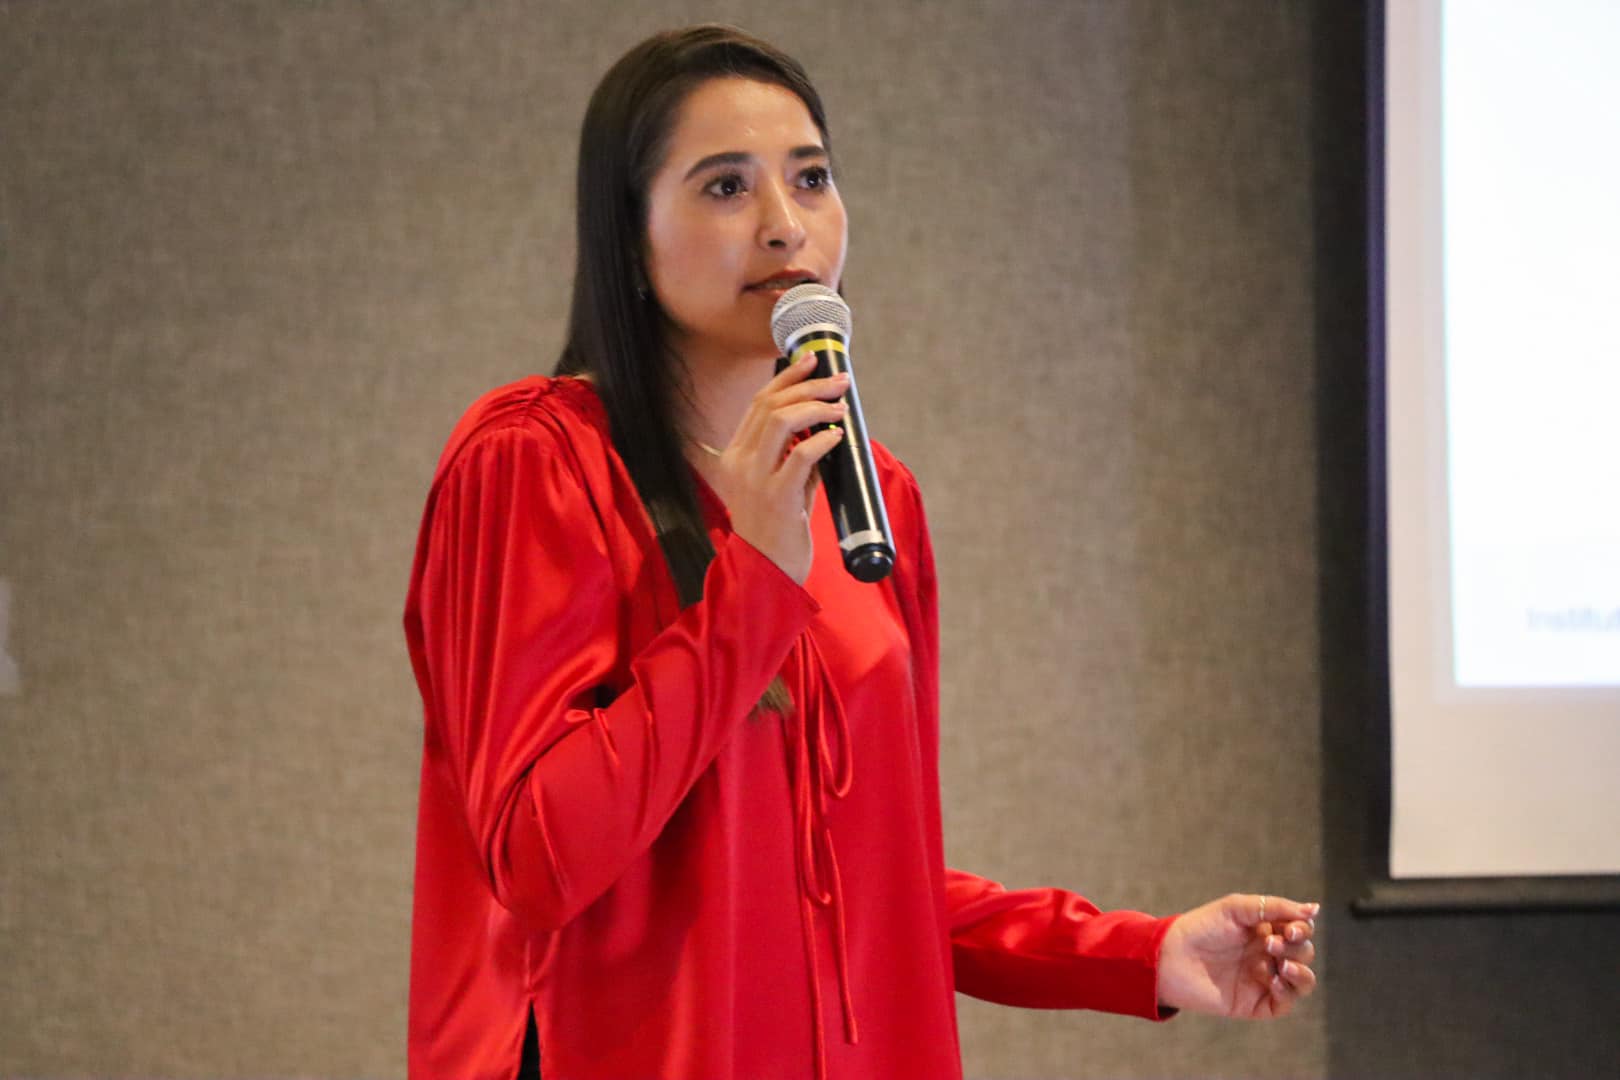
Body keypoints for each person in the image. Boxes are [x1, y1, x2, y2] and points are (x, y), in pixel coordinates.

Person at [402, 24, 1318, 1080]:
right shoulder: (535, 461)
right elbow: (538, 858)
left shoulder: (875, 499)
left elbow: (869, 884)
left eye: (811, 178)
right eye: (725, 187)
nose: (785, 224)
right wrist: (752, 581)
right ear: (629, 232)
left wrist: (1138, 955)